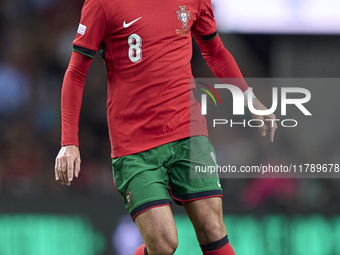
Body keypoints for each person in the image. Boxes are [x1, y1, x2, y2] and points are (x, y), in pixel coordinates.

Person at [54, 0, 278, 254]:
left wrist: (248, 97)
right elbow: (76, 72)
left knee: (212, 227)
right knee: (163, 244)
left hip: (188, 131)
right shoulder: (103, 4)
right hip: (135, 144)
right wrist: (69, 142)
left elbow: (214, 51)